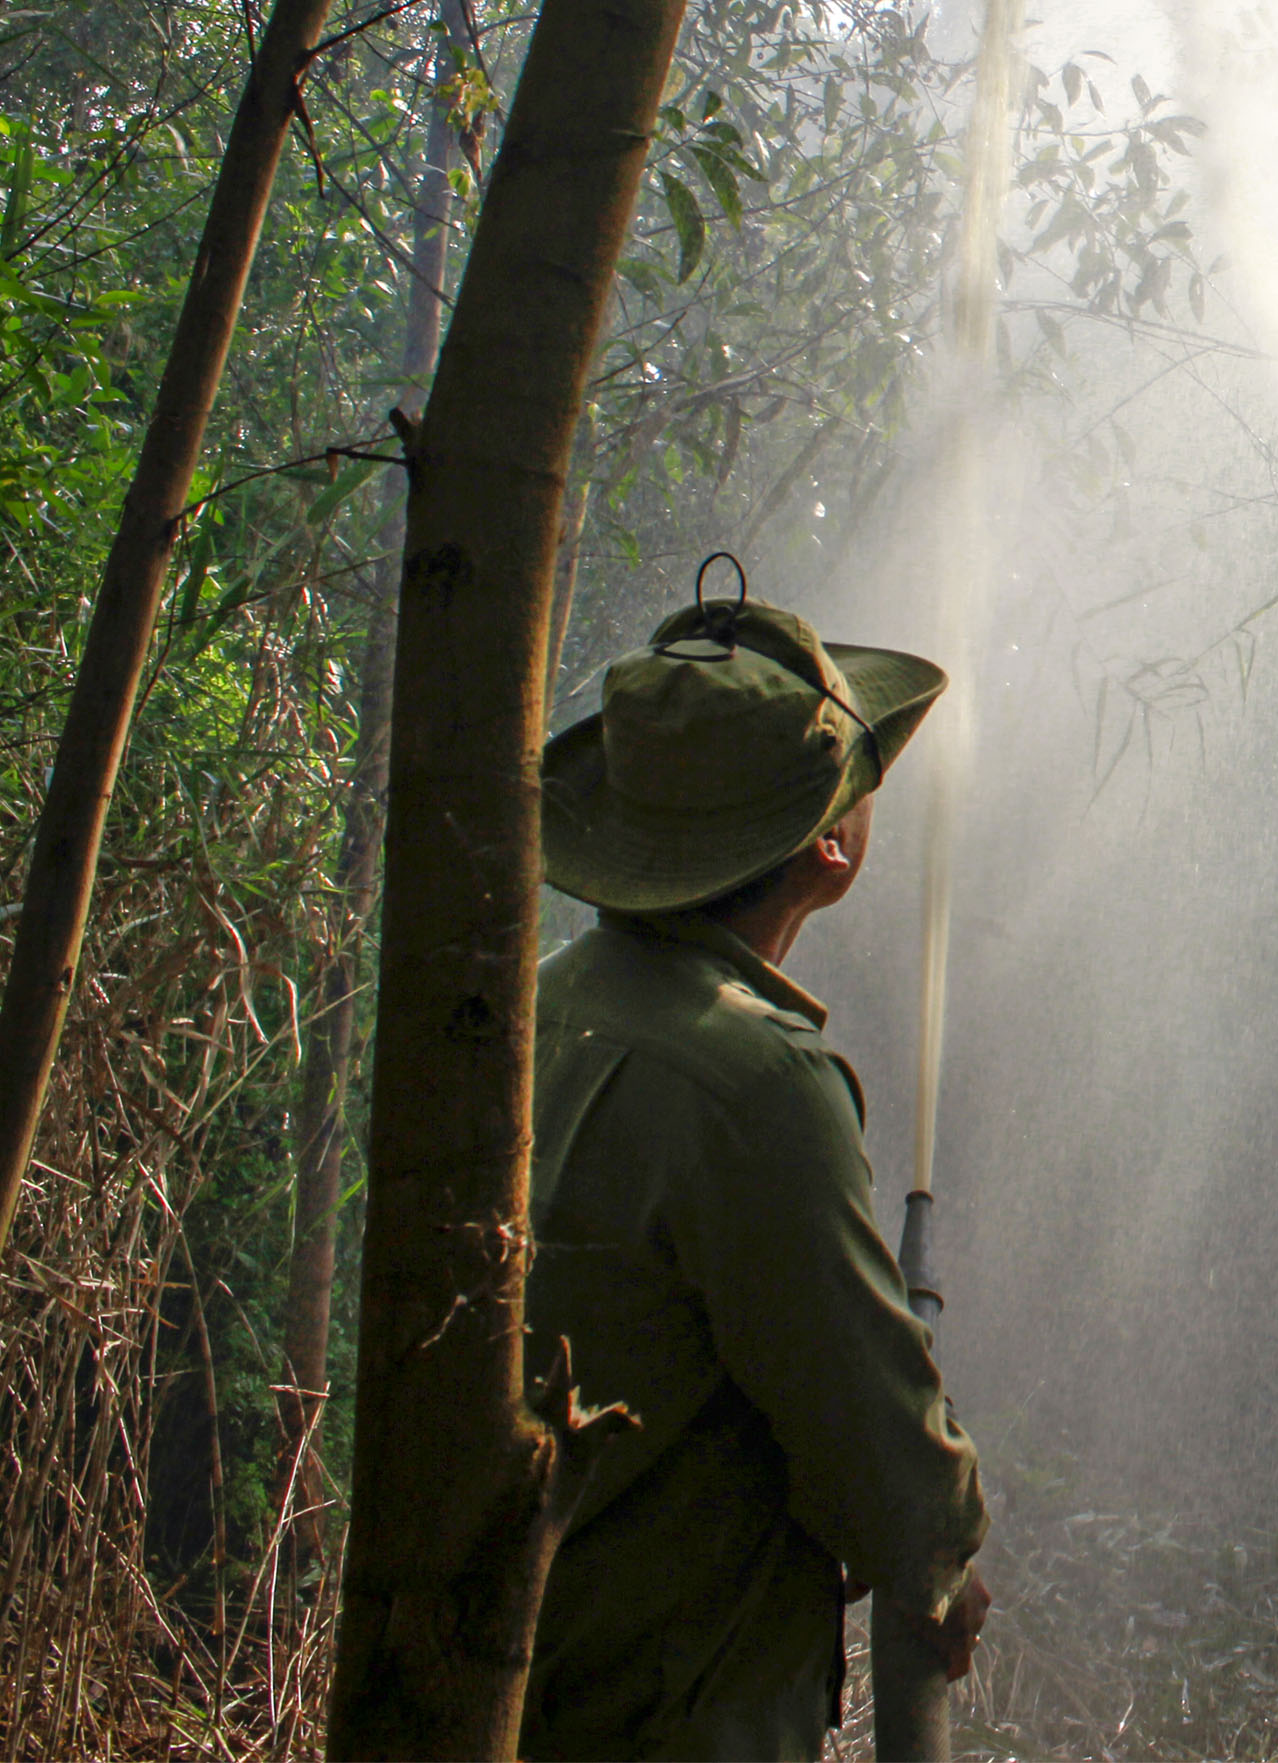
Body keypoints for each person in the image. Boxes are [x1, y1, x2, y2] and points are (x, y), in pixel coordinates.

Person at [517, 593, 989, 1761]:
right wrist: (946, 1543)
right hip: (673, 1715)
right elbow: (875, 1447)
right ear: (829, 848)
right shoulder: (756, 1084)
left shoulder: (527, 1008)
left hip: (513, 1680)